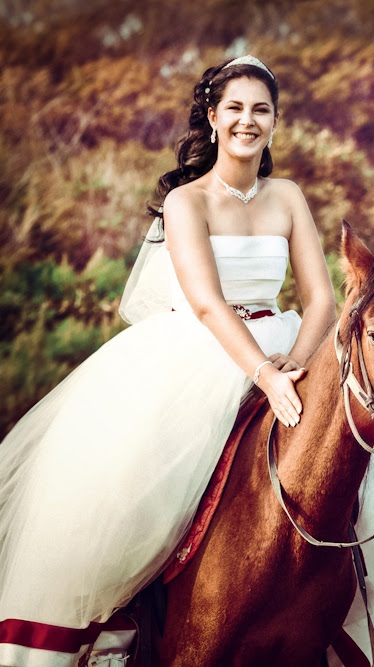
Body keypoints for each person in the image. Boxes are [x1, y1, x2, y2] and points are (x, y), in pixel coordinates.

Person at [0, 55, 342, 666]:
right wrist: (261, 372)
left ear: (274, 122)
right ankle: (118, 625)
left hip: (284, 342)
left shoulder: (287, 196)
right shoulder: (187, 202)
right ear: (212, 117)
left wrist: (292, 362)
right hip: (201, 353)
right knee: (140, 480)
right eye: (235, 108)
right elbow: (208, 304)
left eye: (261, 110)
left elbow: (321, 297)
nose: (248, 120)